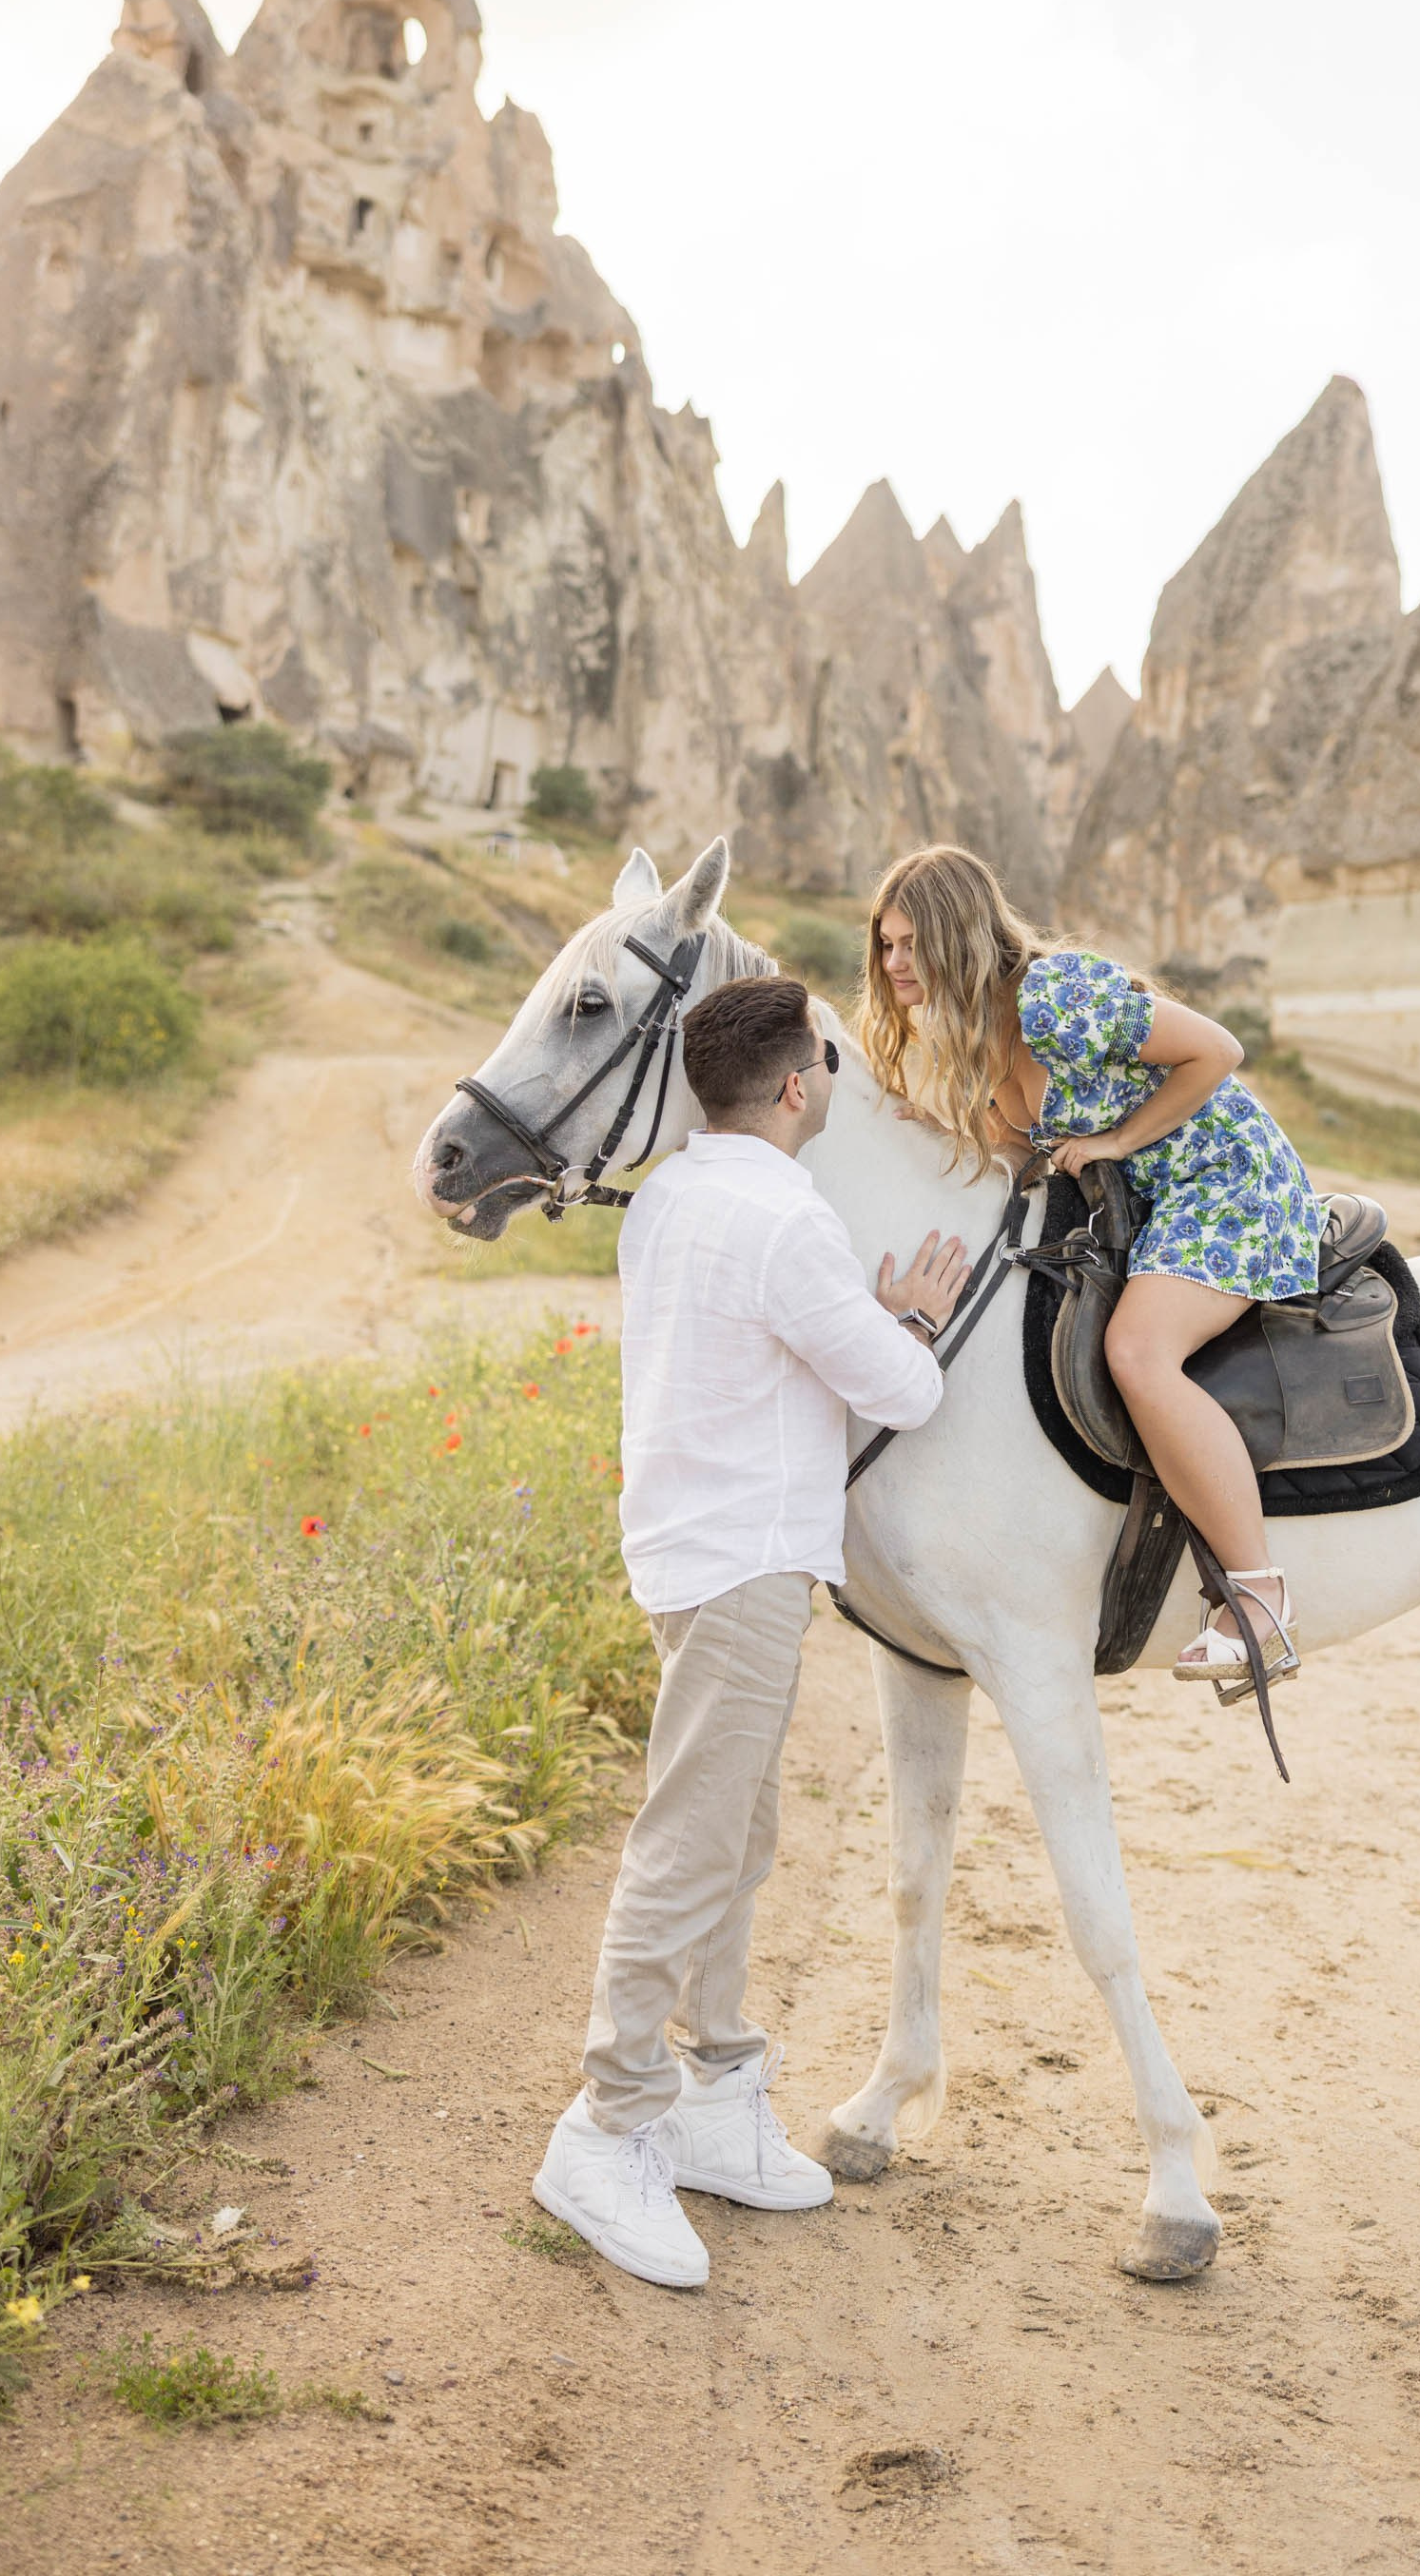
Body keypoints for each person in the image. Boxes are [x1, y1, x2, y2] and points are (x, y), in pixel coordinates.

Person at [535, 971, 969, 2290]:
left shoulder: (673, 1195)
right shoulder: (788, 1218)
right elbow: (902, 1391)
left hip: (691, 1552)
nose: (836, 1077)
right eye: (829, 1062)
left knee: (736, 1832)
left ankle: (716, 2085)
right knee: (689, 1844)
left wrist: (860, 1321)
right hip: (743, 1565)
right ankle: (607, 2128)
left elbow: (759, 1348)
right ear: (794, 1086)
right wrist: (914, 1322)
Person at [860, 845, 1323, 1690]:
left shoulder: (1056, 995)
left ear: (957, 935)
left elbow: (1216, 1051)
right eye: (885, 945)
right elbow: (1021, 1149)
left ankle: (1259, 1596)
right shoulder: (975, 1032)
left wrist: (1116, 1140)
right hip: (1148, 1200)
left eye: (911, 944)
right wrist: (932, 1135)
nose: (893, 963)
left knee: (1138, 1353)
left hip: (1225, 1183)